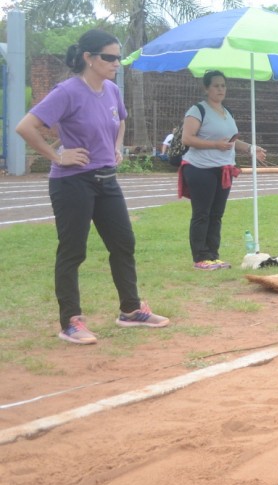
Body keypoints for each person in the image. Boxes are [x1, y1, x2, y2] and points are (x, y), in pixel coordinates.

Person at [14, 29, 169, 345]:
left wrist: (118, 145)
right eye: (110, 58)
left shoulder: (111, 90)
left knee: (123, 242)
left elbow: (120, 120)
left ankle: (130, 310)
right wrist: (57, 154)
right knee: (73, 251)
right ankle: (71, 322)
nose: (116, 63)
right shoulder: (67, 92)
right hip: (72, 183)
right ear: (89, 58)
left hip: (106, 179)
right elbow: (25, 126)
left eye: (118, 58)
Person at [180, 70, 266, 270]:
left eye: (223, 85)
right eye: (216, 85)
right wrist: (214, 145)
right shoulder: (197, 110)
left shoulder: (227, 112)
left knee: (216, 214)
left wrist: (251, 148)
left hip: (223, 170)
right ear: (206, 88)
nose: (220, 89)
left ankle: (213, 255)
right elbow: (187, 138)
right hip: (200, 169)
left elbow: (231, 141)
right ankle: (200, 257)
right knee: (202, 213)